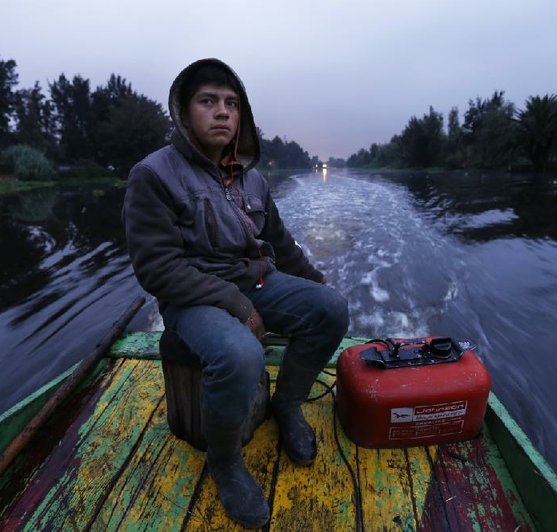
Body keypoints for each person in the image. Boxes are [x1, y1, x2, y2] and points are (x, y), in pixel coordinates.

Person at [123, 58, 349, 528]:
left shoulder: (253, 178)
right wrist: (237, 305)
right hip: (193, 297)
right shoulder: (153, 175)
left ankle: (286, 405)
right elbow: (157, 269)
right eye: (208, 101)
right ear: (185, 114)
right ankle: (224, 460)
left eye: (231, 103)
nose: (223, 112)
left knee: (330, 310)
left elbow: (281, 246)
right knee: (240, 354)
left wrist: (317, 284)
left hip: (257, 280)